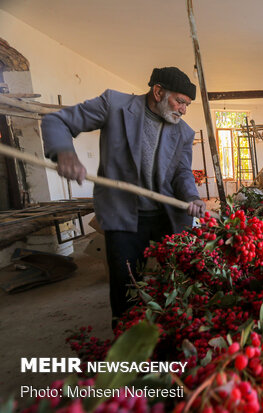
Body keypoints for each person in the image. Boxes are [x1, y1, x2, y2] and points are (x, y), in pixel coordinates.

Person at [41, 66, 206, 325]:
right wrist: (64, 152)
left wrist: (192, 197)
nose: (183, 109)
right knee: (125, 282)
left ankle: (175, 330)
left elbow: (182, 172)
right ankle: (125, 334)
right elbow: (57, 121)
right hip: (124, 214)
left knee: (180, 277)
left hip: (167, 216)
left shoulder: (183, 132)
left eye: (187, 105)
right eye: (180, 101)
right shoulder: (115, 105)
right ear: (158, 91)